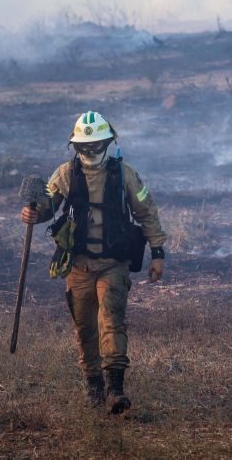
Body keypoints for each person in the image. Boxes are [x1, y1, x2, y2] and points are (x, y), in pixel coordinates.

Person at [20, 111, 167, 414]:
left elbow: (146, 212)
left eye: (94, 145)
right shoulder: (64, 174)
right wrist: (34, 214)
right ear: (75, 147)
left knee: (112, 319)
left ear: (108, 143)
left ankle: (116, 390)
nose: (89, 152)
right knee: (85, 327)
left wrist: (158, 254)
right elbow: (48, 205)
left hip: (114, 263)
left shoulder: (125, 174)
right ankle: (94, 388)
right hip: (79, 265)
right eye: (83, 147)